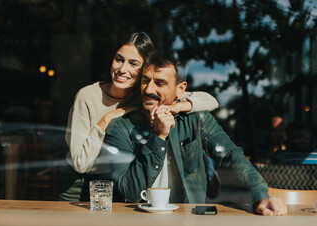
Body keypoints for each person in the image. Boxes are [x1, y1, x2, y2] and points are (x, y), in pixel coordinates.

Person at [104, 52, 287, 216]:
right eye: (145, 81)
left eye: (160, 83)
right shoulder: (120, 128)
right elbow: (131, 191)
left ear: (180, 89)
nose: (149, 89)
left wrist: (260, 195)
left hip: (191, 219)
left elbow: (230, 155)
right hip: (139, 223)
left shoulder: (196, 118)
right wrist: (158, 137)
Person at [59, 32, 219, 201]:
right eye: (119, 59)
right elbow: (79, 163)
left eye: (133, 64)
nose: (122, 69)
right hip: (81, 188)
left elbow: (209, 100)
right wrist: (105, 120)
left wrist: (176, 106)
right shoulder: (87, 96)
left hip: (117, 188)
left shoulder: (146, 95)